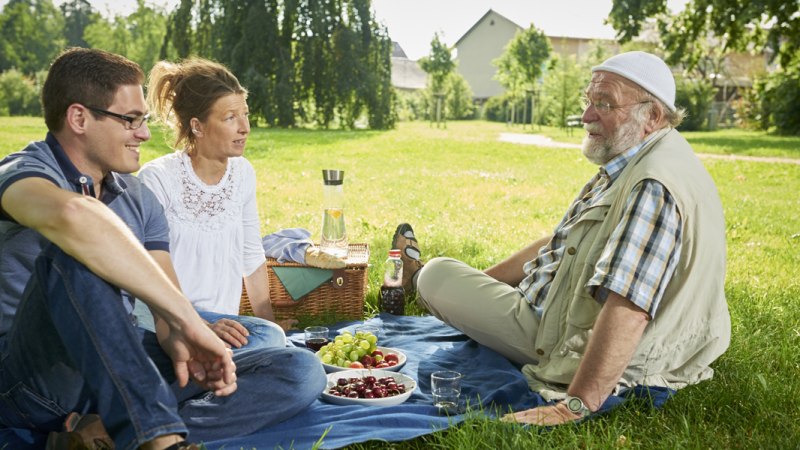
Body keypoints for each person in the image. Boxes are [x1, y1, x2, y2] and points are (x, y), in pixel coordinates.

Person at [0, 48, 325, 449]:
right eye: (130, 120)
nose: (145, 134)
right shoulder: (22, 173)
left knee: (300, 369)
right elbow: (72, 217)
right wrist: (192, 321)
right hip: (37, 376)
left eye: (144, 120)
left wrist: (184, 335)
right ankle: (158, 438)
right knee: (79, 253)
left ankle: (103, 434)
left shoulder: (136, 196)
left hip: (122, 360)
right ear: (79, 118)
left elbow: (166, 306)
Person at [393, 51, 730, 425]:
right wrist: (479, 287)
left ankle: (417, 279)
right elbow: (561, 240)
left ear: (652, 115)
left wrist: (575, 404)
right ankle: (451, 289)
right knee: (453, 280)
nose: (587, 116)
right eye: (588, 100)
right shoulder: (645, 159)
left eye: (604, 103)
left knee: (437, 274)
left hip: (564, 342)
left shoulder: (652, 185)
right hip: (557, 312)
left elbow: (629, 306)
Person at [137, 58, 288, 347]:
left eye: (245, 114)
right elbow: (145, 274)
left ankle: (214, 377)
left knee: (283, 349)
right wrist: (199, 325)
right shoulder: (157, 179)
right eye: (230, 117)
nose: (244, 127)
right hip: (164, 321)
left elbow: (251, 253)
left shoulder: (243, 172)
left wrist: (270, 327)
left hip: (223, 324)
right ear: (197, 126)